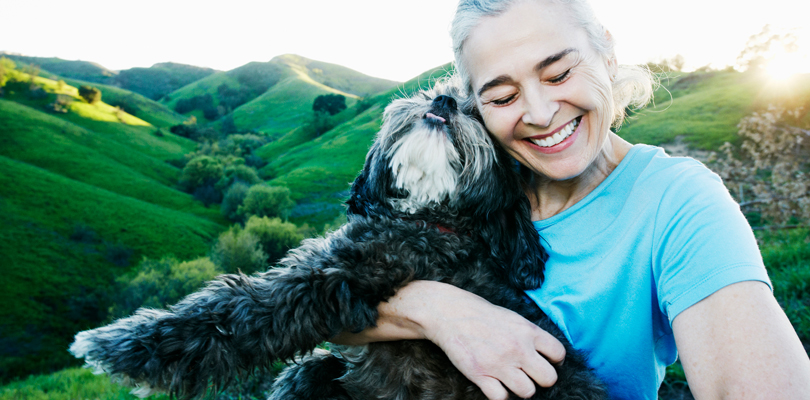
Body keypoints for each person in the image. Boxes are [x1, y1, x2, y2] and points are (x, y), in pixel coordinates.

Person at [334, 0, 810, 398]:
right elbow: (321, 311)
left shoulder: (679, 202)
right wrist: (442, 313)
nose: (540, 113)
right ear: (475, 105)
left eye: (559, 74)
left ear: (606, 53)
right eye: (502, 98)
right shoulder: (460, 182)